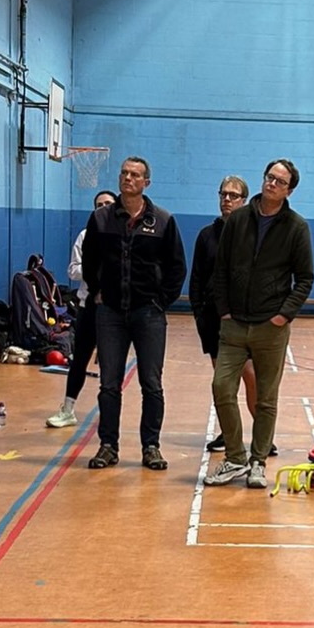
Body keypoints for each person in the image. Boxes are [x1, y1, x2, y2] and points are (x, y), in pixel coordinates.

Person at [206, 158, 314, 491]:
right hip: (234, 325)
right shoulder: (238, 219)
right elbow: (220, 269)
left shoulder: (297, 227)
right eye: (269, 177)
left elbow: (305, 278)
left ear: (289, 190)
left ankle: (258, 462)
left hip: (272, 327)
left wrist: (283, 315)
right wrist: (224, 310)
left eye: (279, 181)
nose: (271, 184)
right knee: (222, 387)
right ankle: (236, 457)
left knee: (266, 398)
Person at [83, 156, 186, 472]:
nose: (128, 178)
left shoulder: (164, 221)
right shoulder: (101, 219)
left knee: (151, 384)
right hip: (110, 313)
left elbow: (176, 266)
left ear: (146, 183)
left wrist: (160, 302)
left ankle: (151, 446)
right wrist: (97, 289)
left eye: (135, 175)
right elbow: (89, 261)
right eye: (124, 173)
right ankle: (108, 446)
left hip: (148, 314)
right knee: (109, 384)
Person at [190, 176, 258, 452]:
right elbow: (196, 278)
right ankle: (229, 434)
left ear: (244, 200)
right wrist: (198, 312)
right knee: (223, 383)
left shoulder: (254, 234)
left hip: (247, 321)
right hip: (213, 320)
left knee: (251, 376)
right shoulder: (207, 235)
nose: (227, 200)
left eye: (233, 195)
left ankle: (263, 434)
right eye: (223, 194)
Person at [46, 188, 115, 429]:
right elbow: (73, 270)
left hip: (114, 311)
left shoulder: (124, 234)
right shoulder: (86, 236)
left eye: (108, 203)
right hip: (88, 306)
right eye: (99, 204)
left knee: (110, 365)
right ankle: (68, 409)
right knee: (79, 361)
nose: (103, 207)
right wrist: (96, 271)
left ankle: (109, 415)